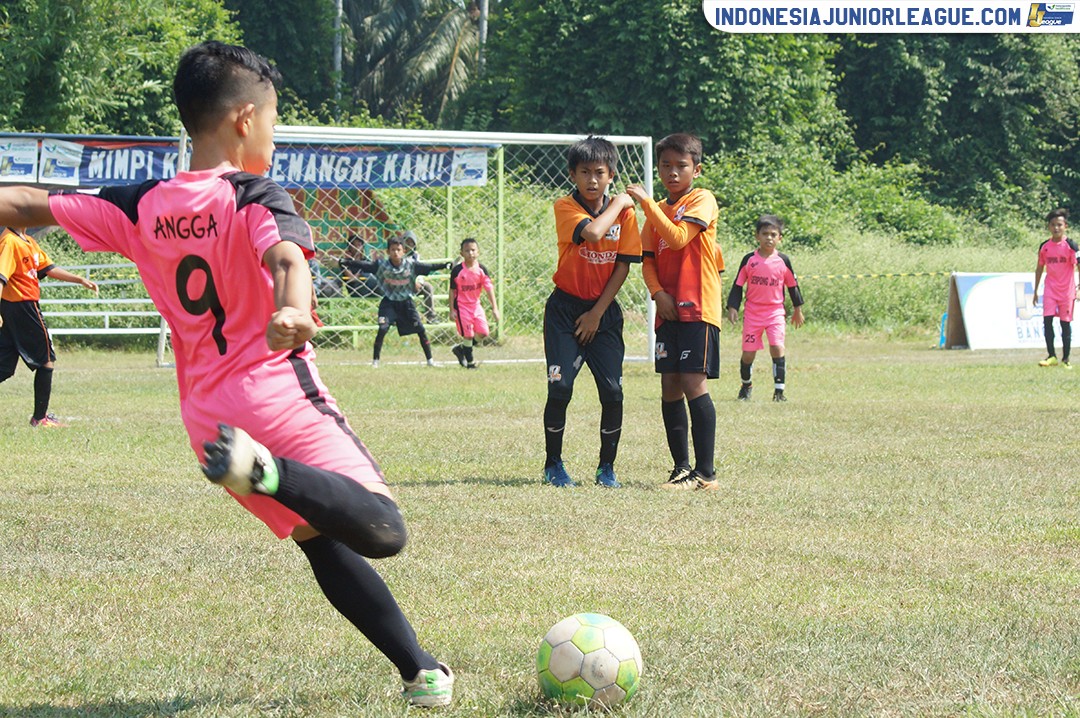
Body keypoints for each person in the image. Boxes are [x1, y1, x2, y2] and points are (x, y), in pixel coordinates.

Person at [0, 41, 453, 707]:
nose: (275, 134)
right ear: (244, 118)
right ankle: (269, 470)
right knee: (384, 527)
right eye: (273, 120)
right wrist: (295, 311)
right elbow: (287, 258)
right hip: (275, 392)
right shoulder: (254, 193)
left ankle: (421, 671)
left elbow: (23, 206)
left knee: (317, 536)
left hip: (208, 419)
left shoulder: (141, 202)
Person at [543, 136, 641, 489]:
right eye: (584, 172)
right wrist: (620, 202)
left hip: (603, 313)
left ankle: (606, 469)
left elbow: (623, 267)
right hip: (564, 311)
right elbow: (596, 233)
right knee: (561, 388)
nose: (592, 180)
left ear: (611, 173)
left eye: (599, 172)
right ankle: (553, 464)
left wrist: (597, 313)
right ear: (573, 174)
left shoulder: (625, 214)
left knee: (613, 392)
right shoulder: (565, 206)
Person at [626, 132, 722, 491]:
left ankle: (707, 473)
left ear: (696, 169)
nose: (672, 172)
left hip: (698, 308)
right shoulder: (655, 214)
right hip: (668, 309)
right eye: (665, 165)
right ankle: (681, 468)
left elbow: (680, 238)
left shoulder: (702, 199)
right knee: (669, 385)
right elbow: (647, 261)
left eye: (681, 166)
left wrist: (648, 204)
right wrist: (657, 293)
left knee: (692, 382)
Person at [0, 226, 98, 427]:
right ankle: (40, 418)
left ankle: (41, 417)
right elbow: (1, 277)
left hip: (18, 308)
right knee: (46, 360)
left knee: (4, 366)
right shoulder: (10, 241)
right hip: (23, 306)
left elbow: (48, 268)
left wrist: (79, 279)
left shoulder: (28, 241)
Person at [725, 215, 806, 402]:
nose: (769, 238)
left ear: (780, 238)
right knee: (748, 354)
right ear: (757, 237)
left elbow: (793, 286)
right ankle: (746, 386)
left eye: (773, 234)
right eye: (765, 234)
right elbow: (738, 285)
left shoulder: (783, 261)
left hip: (775, 312)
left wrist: (797, 309)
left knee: (777, 348)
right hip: (753, 313)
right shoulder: (749, 260)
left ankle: (779, 392)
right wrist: (733, 307)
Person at [340, 235, 449, 367]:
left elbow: (430, 267)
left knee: (420, 329)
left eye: (398, 249)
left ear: (403, 251)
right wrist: (345, 262)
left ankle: (430, 361)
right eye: (393, 250)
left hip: (406, 303)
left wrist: (446, 265)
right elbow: (363, 265)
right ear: (388, 252)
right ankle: (375, 362)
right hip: (389, 302)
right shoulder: (381, 265)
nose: (396, 252)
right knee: (383, 328)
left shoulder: (411, 264)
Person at [1033, 208, 1077, 368]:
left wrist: (1078, 288)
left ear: (1065, 226)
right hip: (1050, 290)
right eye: (1053, 225)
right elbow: (1039, 268)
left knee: (1065, 324)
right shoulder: (1044, 246)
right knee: (1047, 321)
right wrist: (1036, 290)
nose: (1056, 228)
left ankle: (1066, 359)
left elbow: (1078, 266)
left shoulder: (1072, 246)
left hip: (1066, 292)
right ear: (1049, 227)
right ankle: (1051, 356)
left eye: (1059, 224)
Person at [449, 238, 500, 368]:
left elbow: (489, 288)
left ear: (478, 252)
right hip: (462, 306)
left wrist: (495, 308)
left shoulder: (482, 269)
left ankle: (460, 350)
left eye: (473, 250)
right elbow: (452, 291)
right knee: (468, 335)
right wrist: (451, 310)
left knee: (483, 332)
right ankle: (470, 363)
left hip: (476, 306)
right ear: (461, 253)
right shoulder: (457, 271)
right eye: (467, 251)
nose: (470, 253)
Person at [402, 230, 440, 323]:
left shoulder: (415, 256)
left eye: (411, 242)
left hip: (415, 284)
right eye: (406, 242)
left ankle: (431, 316)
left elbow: (419, 270)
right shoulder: (399, 256)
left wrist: (418, 281)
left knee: (428, 287)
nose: (409, 244)